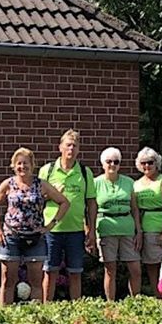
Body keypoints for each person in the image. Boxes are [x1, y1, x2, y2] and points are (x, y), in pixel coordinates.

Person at [0, 148, 70, 306]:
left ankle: (34, 318)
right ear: (13, 165)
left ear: (33, 165)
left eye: (26, 163)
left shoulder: (42, 185)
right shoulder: (8, 184)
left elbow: (64, 202)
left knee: (36, 281)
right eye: (18, 163)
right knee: (8, 279)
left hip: (35, 237)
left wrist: (50, 225)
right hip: (11, 236)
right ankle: (3, 316)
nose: (22, 167)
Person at [39, 129, 96, 302]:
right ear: (60, 147)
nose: (71, 149)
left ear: (79, 149)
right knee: (50, 272)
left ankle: (75, 310)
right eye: (68, 145)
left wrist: (91, 229)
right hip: (51, 230)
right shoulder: (47, 171)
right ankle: (46, 309)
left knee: (75, 273)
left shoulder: (85, 173)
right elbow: (37, 199)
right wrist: (51, 194)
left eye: (75, 146)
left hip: (76, 231)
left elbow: (91, 203)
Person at [94, 147, 142, 300]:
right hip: (106, 229)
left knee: (135, 268)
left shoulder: (129, 182)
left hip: (127, 228)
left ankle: (136, 302)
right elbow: (89, 210)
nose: (112, 165)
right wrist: (90, 231)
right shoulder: (96, 183)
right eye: (109, 162)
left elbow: (135, 208)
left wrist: (138, 231)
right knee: (110, 269)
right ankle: (110, 304)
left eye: (116, 162)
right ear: (103, 164)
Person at [134, 147, 162, 297]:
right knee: (150, 265)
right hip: (145, 228)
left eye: (150, 162)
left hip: (161, 228)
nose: (147, 166)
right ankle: (157, 295)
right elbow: (135, 208)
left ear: (156, 163)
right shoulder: (136, 184)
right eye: (143, 163)